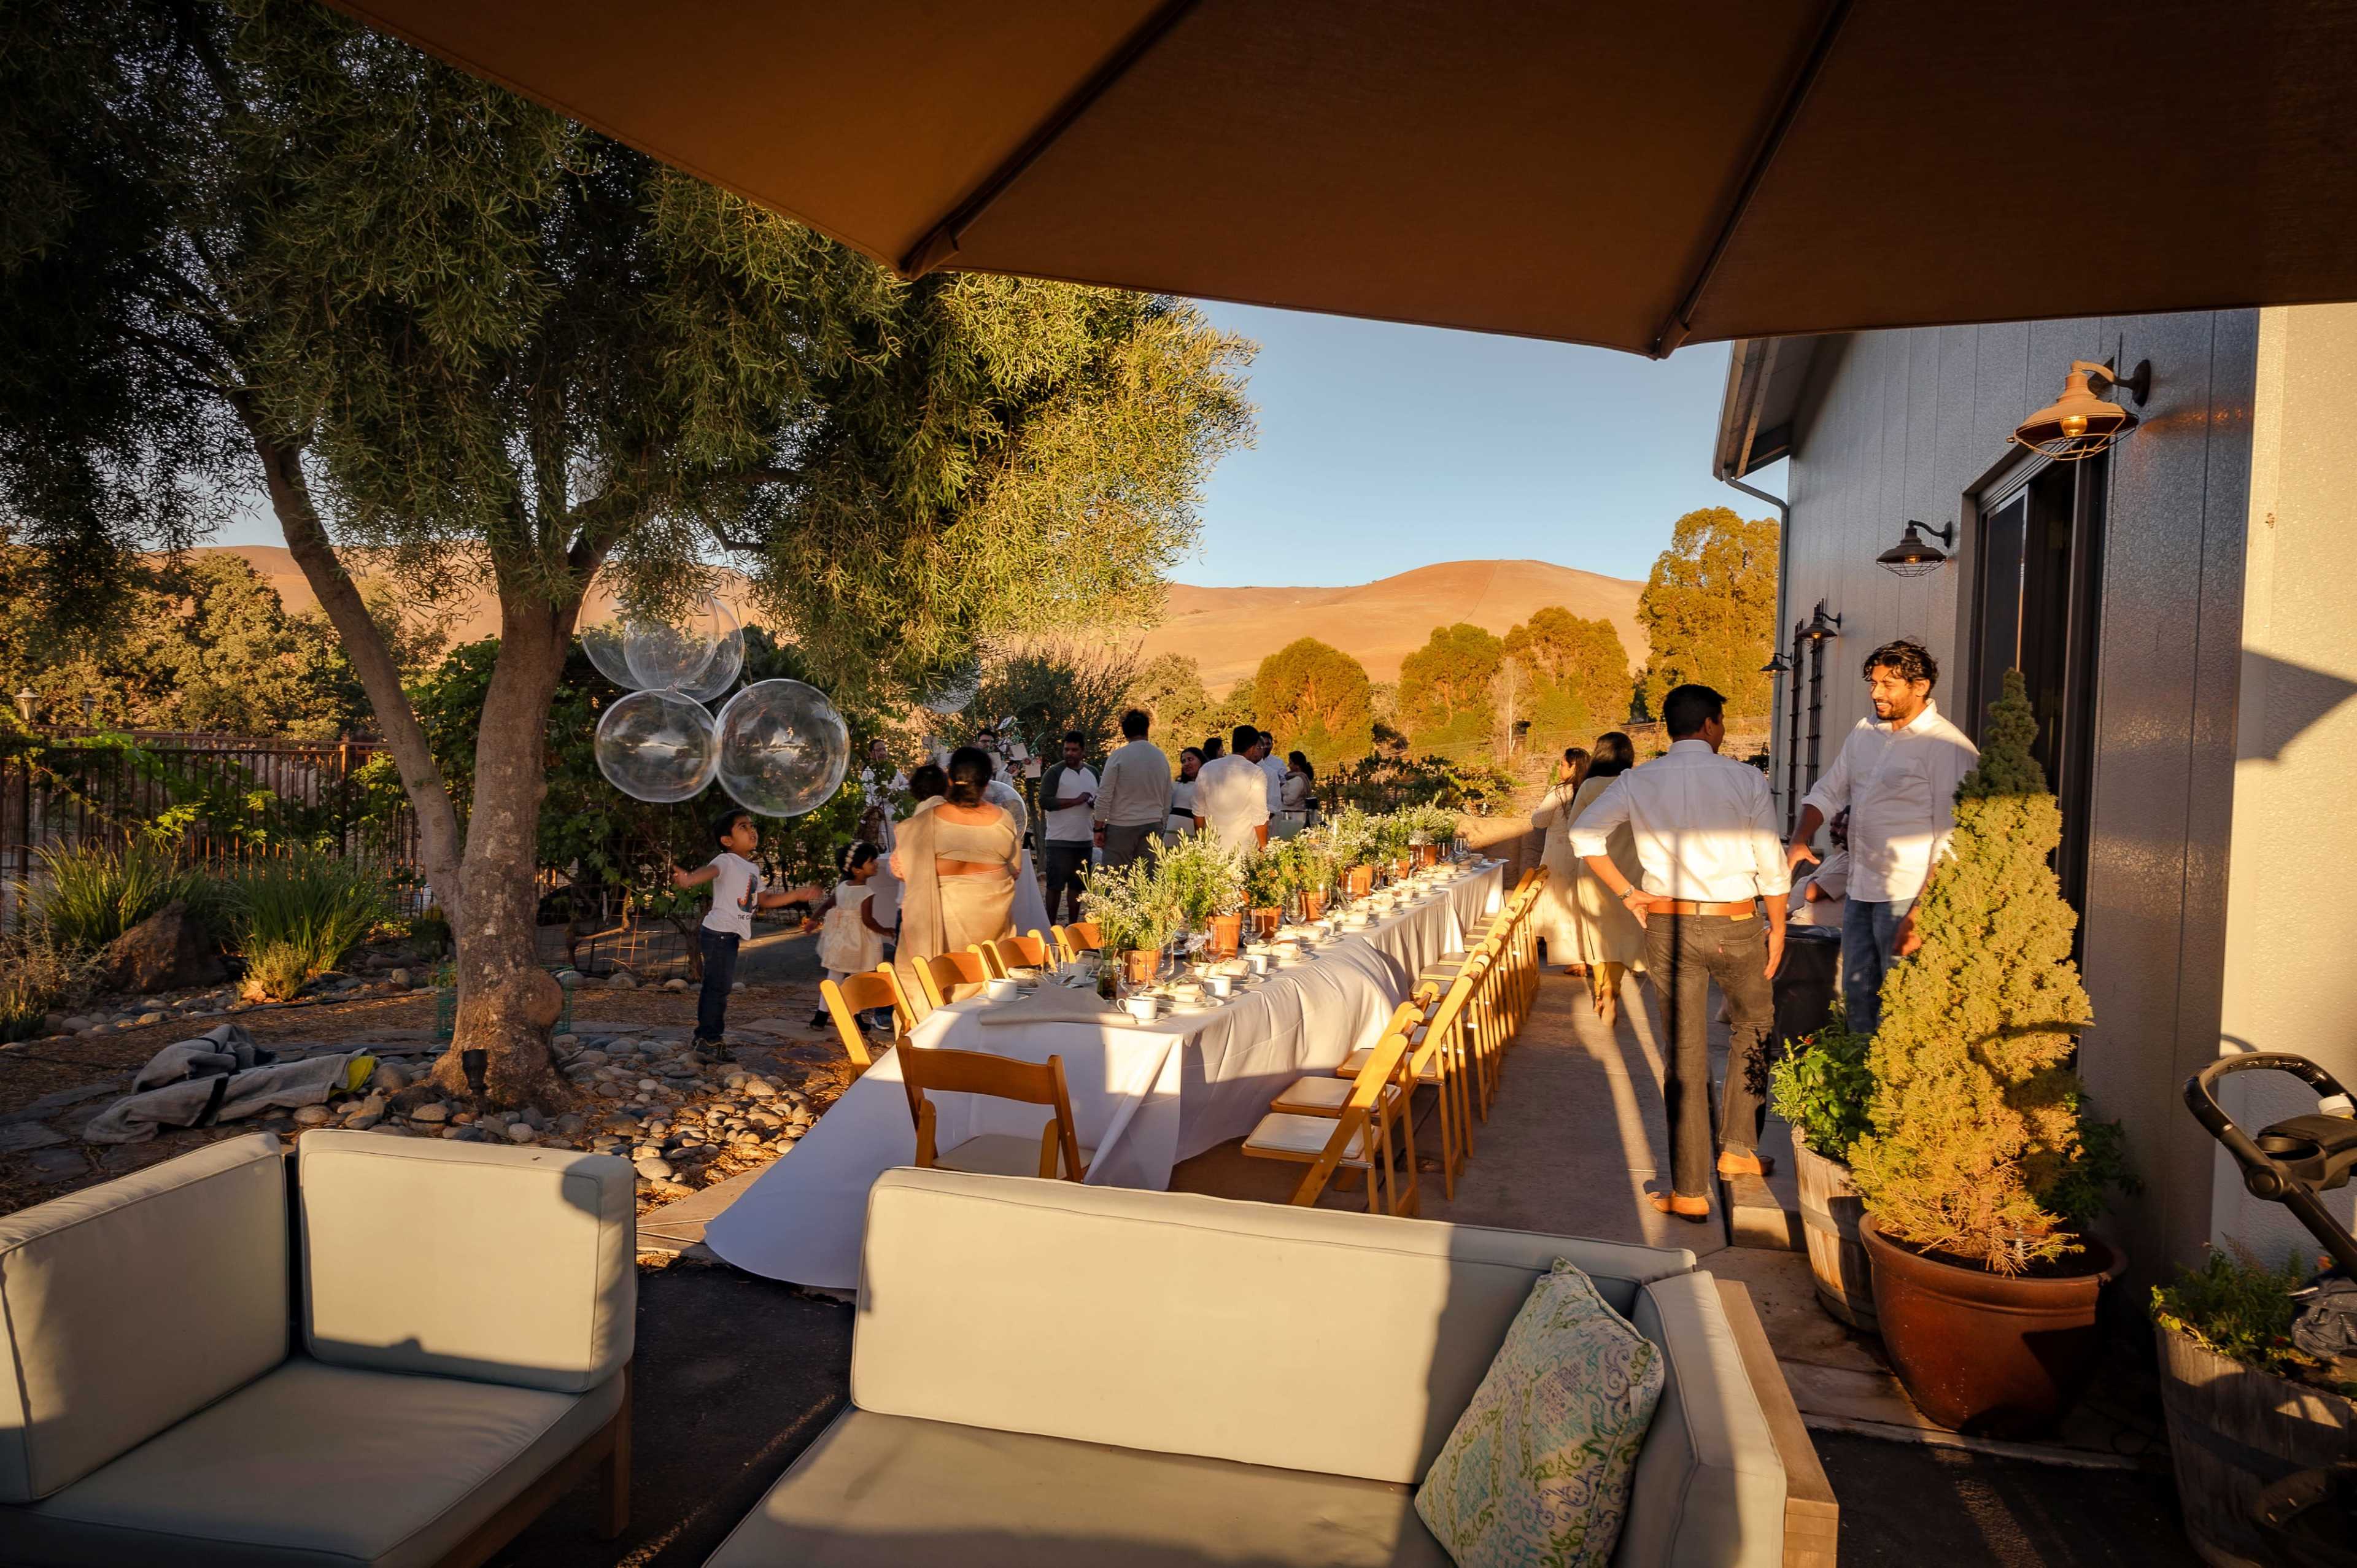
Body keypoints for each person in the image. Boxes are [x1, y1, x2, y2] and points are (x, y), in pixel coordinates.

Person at [1571, 686, 1788, 1224]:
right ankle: (1739, 1146)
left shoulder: (1638, 780)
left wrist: (1628, 893)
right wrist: (1778, 925)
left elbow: (1584, 835)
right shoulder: (1745, 778)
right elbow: (1770, 858)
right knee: (1754, 1026)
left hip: (1667, 923)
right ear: (1713, 724)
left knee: (1685, 1052)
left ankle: (1690, 1190)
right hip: (1736, 920)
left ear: (1669, 728)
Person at [1786, 638, 1978, 1035]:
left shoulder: (1947, 746)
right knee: (1859, 998)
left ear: (1920, 685)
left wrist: (1921, 914)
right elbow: (1829, 788)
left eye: (1888, 684)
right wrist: (1800, 837)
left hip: (1908, 896)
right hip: (1861, 890)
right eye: (1873, 683)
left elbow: (1953, 839)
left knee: (1902, 1006)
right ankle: (1863, 1086)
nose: (1876, 693)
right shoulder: (1865, 730)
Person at [672, 807, 812, 1057]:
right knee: (718, 988)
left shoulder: (752, 869)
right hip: (718, 935)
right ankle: (709, 1039)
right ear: (727, 841)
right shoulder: (725, 860)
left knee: (718, 987)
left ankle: (706, 1037)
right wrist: (690, 879)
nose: (752, 831)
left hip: (728, 936)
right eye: (743, 827)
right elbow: (710, 872)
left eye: (752, 826)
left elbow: (766, 901)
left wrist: (797, 894)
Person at [891, 747, 1021, 1003]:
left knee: (940, 989)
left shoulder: (924, 822)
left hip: (941, 929)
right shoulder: (1004, 819)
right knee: (986, 994)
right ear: (986, 783)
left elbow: (900, 870)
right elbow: (1015, 871)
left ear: (949, 779)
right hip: (988, 931)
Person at [810, 841, 894, 1030]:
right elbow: (867, 920)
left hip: (839, 941)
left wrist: (813, 920)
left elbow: (826, 905)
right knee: (856, 979)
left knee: (834, 976)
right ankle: (856, 1017)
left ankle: (820, 1017)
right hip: (857, 943)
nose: (876, 864)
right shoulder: (866, 892)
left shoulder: (842, 887)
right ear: (857, 869)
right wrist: (885, 930)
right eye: (871, 861)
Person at [1094, 707, 1174, 868]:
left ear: (1125, 732)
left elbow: (1104, 795)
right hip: (1153, 824)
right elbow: (1167, 795)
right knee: (1147, 880)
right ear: (1147, 729)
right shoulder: (1160, 757)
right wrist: (1162, 823)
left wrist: (1098, 828)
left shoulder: (1118, 756)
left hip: (1121, 826)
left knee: (1115, 880)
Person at [1038, 731, 1097, 925]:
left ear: (1083, 751)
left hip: (1084, 839)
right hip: (1059, 840)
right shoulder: (1054, 772)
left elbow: (1102, 799)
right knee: (1055, 886)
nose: (1070, 753)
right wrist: (1075, 801)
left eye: (1074, 750)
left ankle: (1073, 926)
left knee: (1077, 886)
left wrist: (1093, 804)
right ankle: (1050, 926)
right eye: (1066, 749)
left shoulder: (1093, 772)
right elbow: (1045, 801)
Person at [1194, 723, 1273, 851]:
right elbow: (1259, 816)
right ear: (1253, 748)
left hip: (1213, 846)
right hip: (1244, 847)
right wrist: (1264, 847)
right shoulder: (1255, 772)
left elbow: (1198, 812)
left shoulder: (1207, 769)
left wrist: (1201, 843)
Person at [1787, 809, 1850, 931]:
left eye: (1841, 827)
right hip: (1798, 921)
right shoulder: (1834, 858)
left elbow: (1812, 893)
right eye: (1833, 825)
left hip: (1814, 930)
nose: (1834, 831)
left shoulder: (1850, 862)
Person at [1168, 746, 1204, 838]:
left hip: (1195, 838)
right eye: (1183, 762)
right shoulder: (1176, 786)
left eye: (1190, 759)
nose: (1186, 764)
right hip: (1171, 836)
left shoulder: (1209, 786)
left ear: (1201, 760)